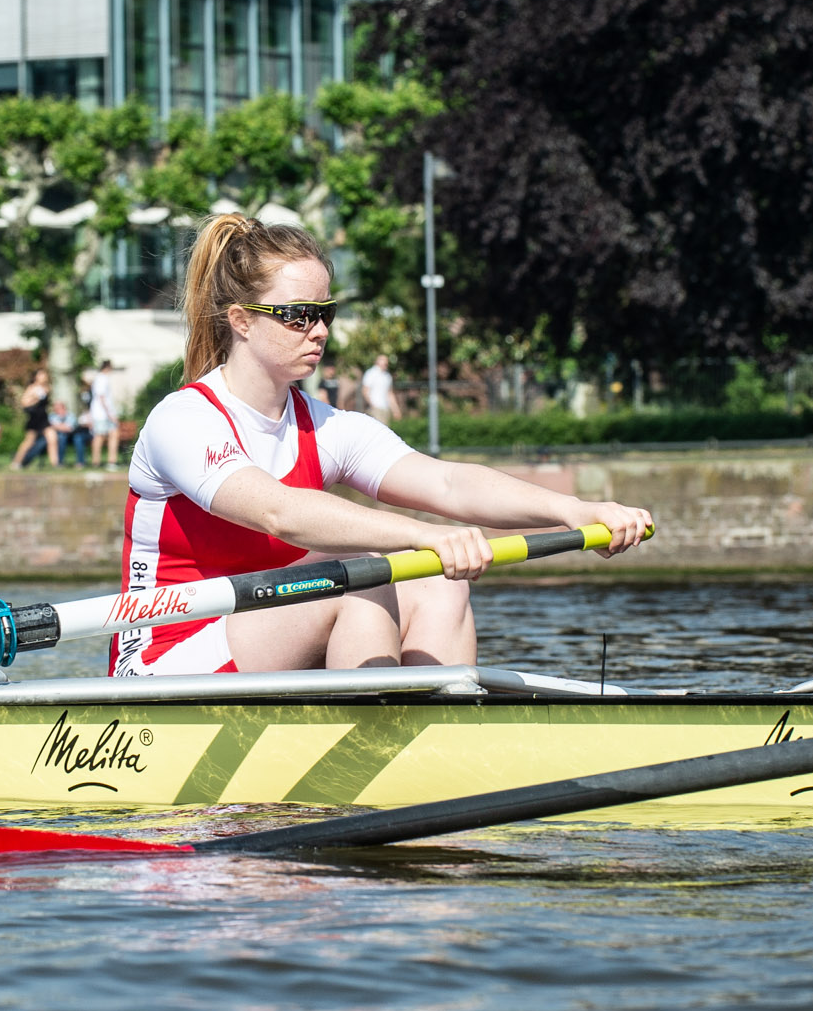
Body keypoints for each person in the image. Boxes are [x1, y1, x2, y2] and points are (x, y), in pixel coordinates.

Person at [115, 214, 652, 675]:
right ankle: (367, 761)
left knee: (439, 583)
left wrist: (574, 510)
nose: (319, 331)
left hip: (266, 632)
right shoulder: (183, 420)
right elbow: (280, 512)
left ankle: (431, 742)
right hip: (165, 655)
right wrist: (424, 536)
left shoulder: (327, 427)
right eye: (298, 315)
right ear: (241, 322)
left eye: (325, 313)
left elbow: (447, 482)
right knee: (360, 573)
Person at [9, 370, 57, 469]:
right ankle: (16, 462)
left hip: (44, 418)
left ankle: (55, 464)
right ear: (36, 377)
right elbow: (24, 403)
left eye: (45, 375)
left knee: (52, 439)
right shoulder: (32, 388)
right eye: (41, 375)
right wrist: (35, 398)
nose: (44, 377)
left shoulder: (47, 388)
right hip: (34, 419)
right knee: (29, 442)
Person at [85, 362, 121, 469]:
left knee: (113, 434)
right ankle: (96, 461)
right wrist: (110, 414)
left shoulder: (100, 378)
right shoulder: (101, 379)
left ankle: (111, 461)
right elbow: (101, 397)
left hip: (104, 413)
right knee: (99, 436)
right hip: (101, 414)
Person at [361, 353, 401, 423]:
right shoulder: (371, 373)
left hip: (385, 408)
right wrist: (372, 405)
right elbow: (365, 391)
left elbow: (390, 394)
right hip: (375, 408)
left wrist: (395, 409)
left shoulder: (387, 376)